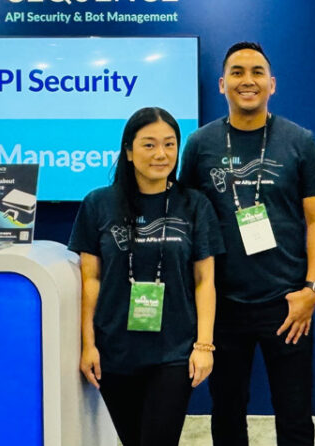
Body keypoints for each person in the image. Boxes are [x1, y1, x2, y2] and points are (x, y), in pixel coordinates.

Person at [178, 41, 315, 446]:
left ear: (272, 84)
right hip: (223, 304)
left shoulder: (299, 142)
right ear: (223, 83)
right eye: (239, 72)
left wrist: (311, 290)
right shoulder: (199, 144)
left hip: (287, 304)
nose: (248, 80)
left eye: (257, 72)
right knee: (226, 412)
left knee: (295, 416)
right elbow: (186, 222)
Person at [72, 107, 223, 446]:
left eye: (170, 145)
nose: (161, 154)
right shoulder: (98, 203)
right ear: (128, 150)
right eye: (149, 145)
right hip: (115, 351)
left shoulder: (194, 205)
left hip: (173, 351)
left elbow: (205, 281)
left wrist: (204, 345)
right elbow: (90, 280)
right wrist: (88, 344)